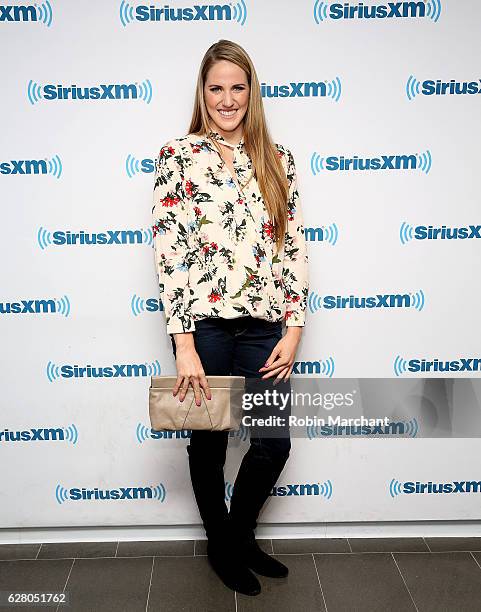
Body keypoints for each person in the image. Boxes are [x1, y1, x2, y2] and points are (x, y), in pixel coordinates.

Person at [151, 39, 309, 596]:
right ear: (203, 91)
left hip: (265, 327)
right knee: (209, 442)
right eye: (216, 87)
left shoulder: (277, 158)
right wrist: (184, 344)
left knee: (272, 444)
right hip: (207, 328)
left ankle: (236, 538)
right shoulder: (178, 156)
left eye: (237, 87)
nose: (227, 98)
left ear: (252, 91)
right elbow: (170, 252)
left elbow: (292, 249)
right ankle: (224, 546)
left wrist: (293, 329)